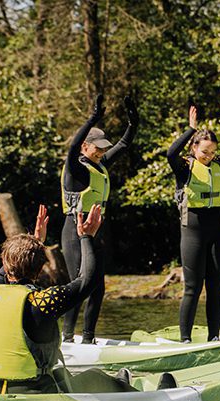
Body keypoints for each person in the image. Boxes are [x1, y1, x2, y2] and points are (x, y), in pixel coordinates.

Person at [0, 204, 133, 394]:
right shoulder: (42, 302)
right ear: (40, 268)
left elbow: (9, 266)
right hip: (34, 391)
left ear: (5, 264)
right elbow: (87, 281)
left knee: (61, 373)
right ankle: (126, 388)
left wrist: (35, 241)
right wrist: (86, 237)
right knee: (94, 376)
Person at [167, 103, 220, 343]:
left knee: (215, 288)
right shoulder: (184, 166)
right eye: (204, 152)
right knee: (192, 288)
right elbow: (170, 154)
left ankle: (213, 338)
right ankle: (185, 340)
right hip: (193, 231)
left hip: (218, 231)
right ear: (194, 147)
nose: (208, 156)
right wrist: (189, 129)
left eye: (212, 152)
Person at [60, 93, 138, 344]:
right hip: (74, 231)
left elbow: (124, 145)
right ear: (86, 146)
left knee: (97, 288)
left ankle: (88, 340)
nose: (102, 151)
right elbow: (72, 147)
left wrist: (133, 122)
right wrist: (92, 117)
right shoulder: (76, 168)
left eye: (105, 148)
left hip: (95, 232)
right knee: (77, 286)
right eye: (98, 147)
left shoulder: (100, 165)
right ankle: (67, 338)